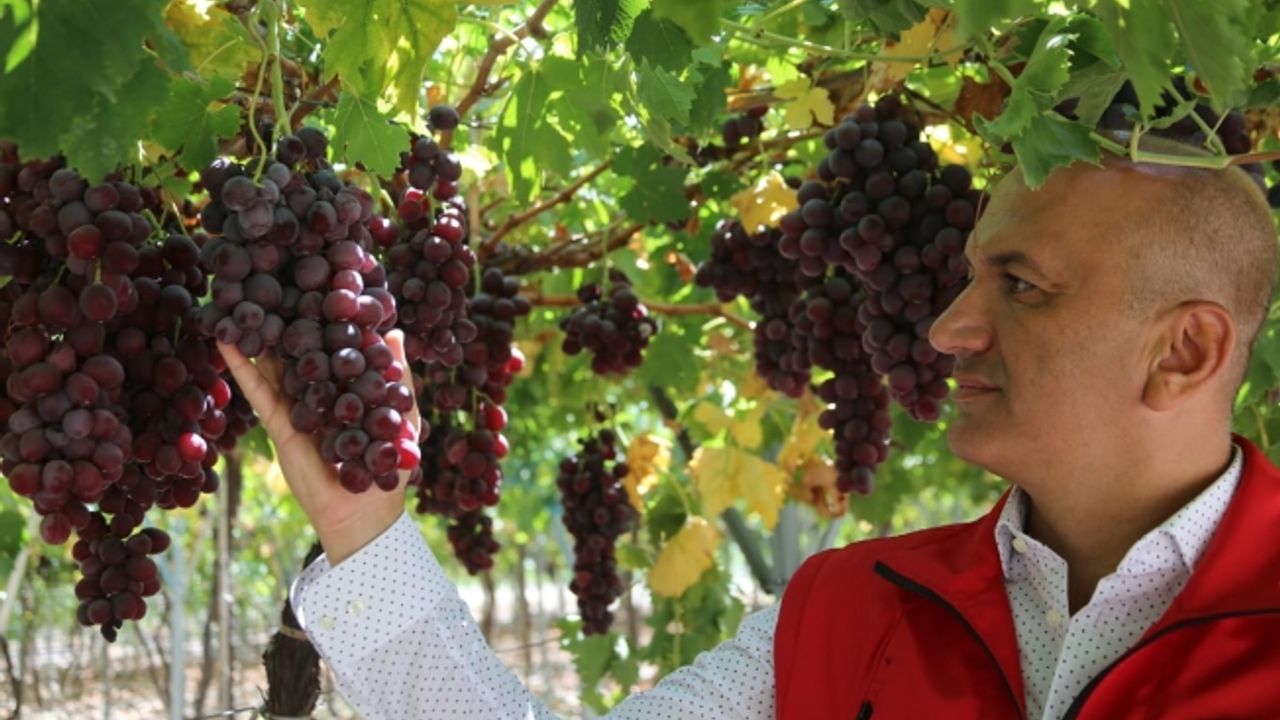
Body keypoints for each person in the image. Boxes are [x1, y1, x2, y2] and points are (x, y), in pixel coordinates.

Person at [219, 137, 1280, 720]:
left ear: (1183, 351)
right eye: (966, 277)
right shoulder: (837, 614)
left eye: (1022, 285)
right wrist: (364, 531)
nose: (947, 328)